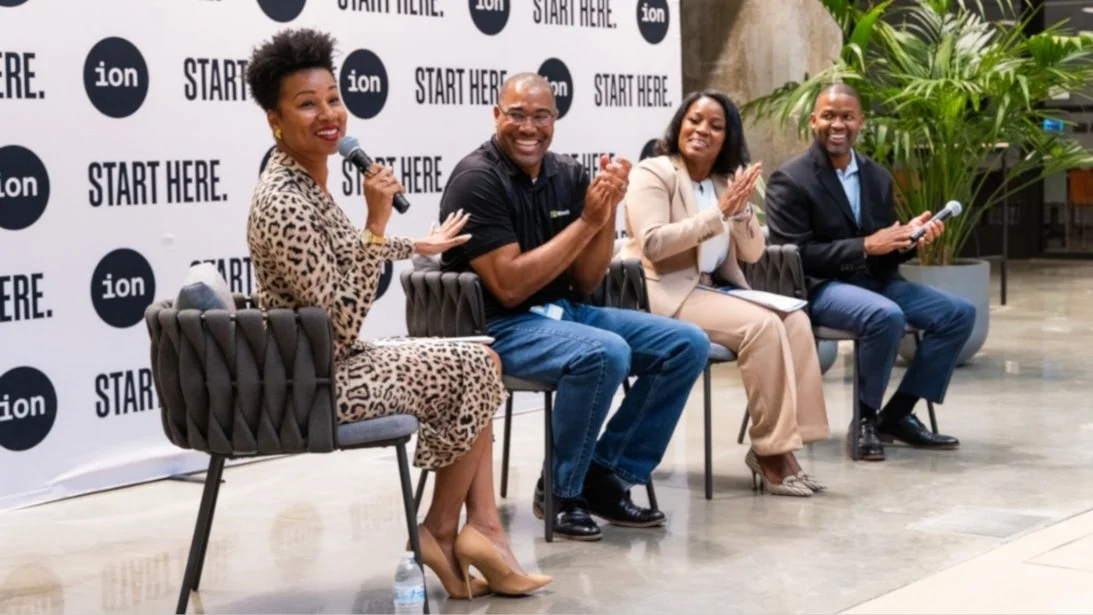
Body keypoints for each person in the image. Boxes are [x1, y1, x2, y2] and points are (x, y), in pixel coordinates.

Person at [243, 29, 550, 598]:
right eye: (307, 104)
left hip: (327, 365)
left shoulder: (307, 182)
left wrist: (416, 246)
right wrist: (378, 222)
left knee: (479, 355)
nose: (329, 114)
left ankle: (472, 530)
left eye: (332, 98)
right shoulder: (283, 200)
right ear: (275, 120)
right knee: (479, 366)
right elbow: (338, 323)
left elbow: (343, 258)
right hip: (316, 383)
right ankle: (446, 531)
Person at [438, 73, 709, 541]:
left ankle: (607, 476)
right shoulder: (476, 179)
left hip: (565, 312)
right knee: (603, 353)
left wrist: (606, 213)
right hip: (499, 327)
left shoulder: (567, 173)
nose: (529, 127)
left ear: (555, 121)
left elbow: (585, 282)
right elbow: (508, 288)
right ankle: (562, 491)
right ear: (496, 116)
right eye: (517, 115)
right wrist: (587, 221)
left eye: (541, 116)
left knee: (687, 343)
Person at [618, 89, 830, 496]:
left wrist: (742, 209)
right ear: (680, 124)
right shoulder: (654, 172)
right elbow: (654, 244)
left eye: (716, 126)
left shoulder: (723, 181)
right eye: (695, 120)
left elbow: (752, 252)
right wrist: (718, 214)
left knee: (796, 320)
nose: (702, 130)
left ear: (727, 137)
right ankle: (770, 452)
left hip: (715, 290)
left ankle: (790, 446)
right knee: (763, 326)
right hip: (665, 294)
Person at [763, 83, 974, 462]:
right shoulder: (790, 179)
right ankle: (866, 420)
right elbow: (793, 255)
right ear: (814, 121)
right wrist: (865, 246)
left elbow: (884, 254)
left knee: (958, 313)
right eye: (828, 115)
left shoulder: (877, 177)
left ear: (861, 122)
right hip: (820, 287)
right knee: (884, 315)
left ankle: (897, 414)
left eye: (847, 116)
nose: (837, 124)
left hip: (876, 282)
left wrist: (909, 239)